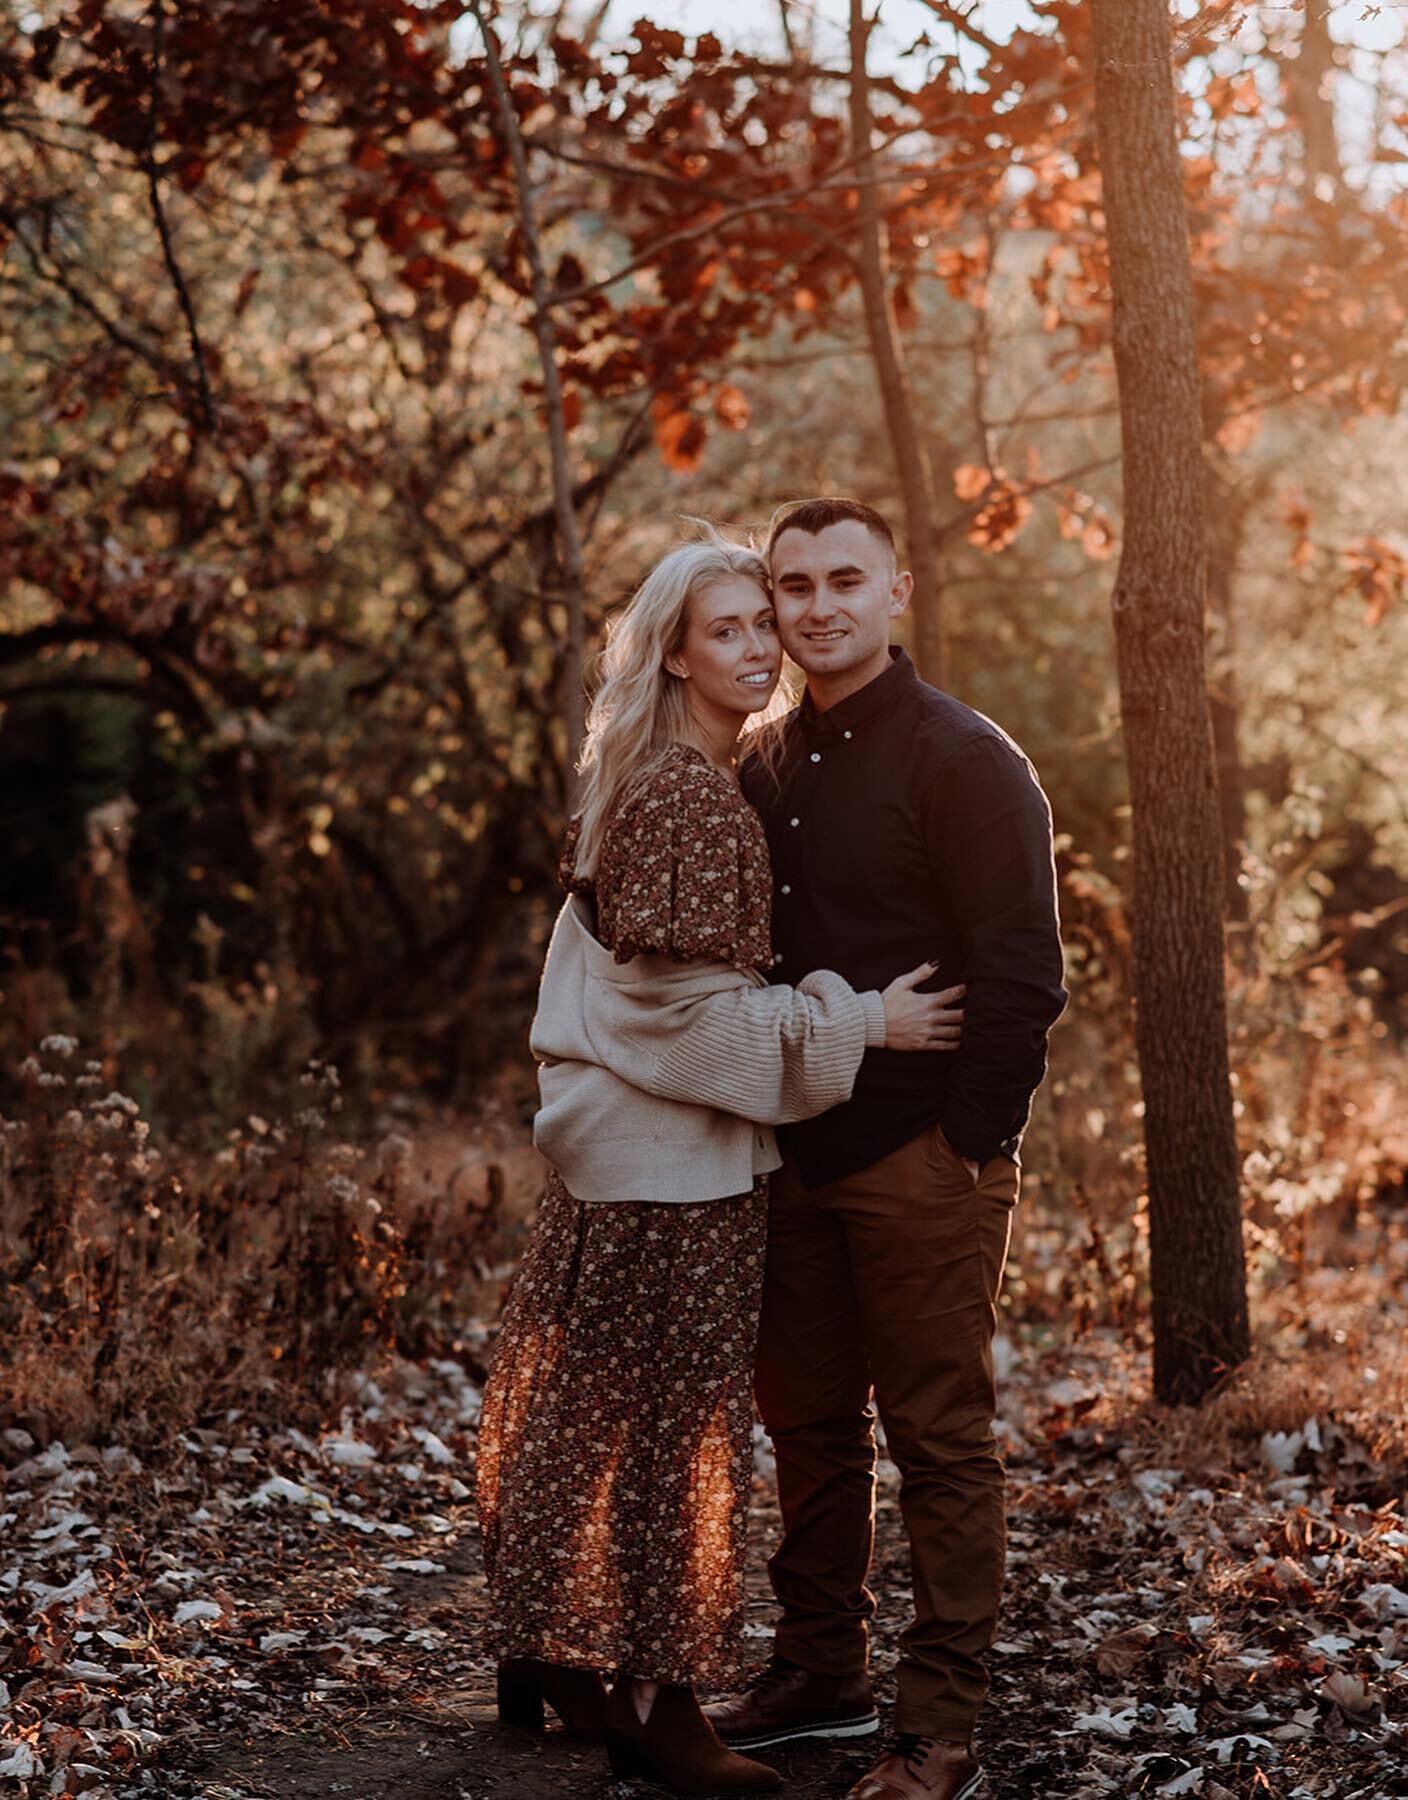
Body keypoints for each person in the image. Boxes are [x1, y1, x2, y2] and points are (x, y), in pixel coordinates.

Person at [475, 530, 968, 1797]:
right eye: (731, 629)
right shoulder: (691, 796)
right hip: (670, 1176)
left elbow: (667, 996)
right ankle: (657, 1703)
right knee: (676, 1439)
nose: (763, 646)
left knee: (591, 1411)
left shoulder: (680, 770)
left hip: (627, 1159)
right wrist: (862, 1018)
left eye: (767, 622)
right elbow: (691, 1027)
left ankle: (547, 1654)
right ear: (675, 649)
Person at [707, 498, 1067, 1800]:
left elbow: (1025, 966)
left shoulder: (964, 759)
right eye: (791, 585)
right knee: (804, 1424)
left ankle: (936, 1728)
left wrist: (971, 1142)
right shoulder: (762, 762)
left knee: (940, 1438)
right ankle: (820, 1675)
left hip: (923, 1157)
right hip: (791, 1156)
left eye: (842, 580)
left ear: (895, 590)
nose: (815, 607)